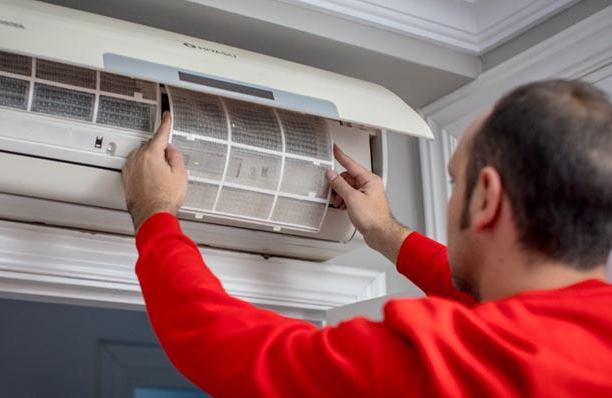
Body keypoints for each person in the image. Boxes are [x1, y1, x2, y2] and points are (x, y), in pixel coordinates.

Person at [121, 80, 612, 397]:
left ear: (486, 199)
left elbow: (230, 349)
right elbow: (499, 308)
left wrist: (154, 212)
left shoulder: (452, 368)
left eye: (455, 182)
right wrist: (385, 233)